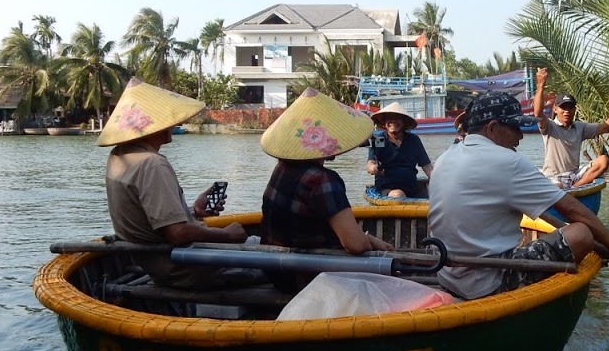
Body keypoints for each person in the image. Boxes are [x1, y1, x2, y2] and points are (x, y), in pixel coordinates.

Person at [428, 91, 609, 300]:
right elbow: (573, 209)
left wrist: (604, 248)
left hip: (447, 275)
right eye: (515, 128)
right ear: (492, 127)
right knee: (582, 233)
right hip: (487, 281)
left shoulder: (446, 157)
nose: (520, 136)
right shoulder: (507, 161)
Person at [99, 78, 253, 291]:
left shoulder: (118, 156)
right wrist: (227, 236)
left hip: (160, 265)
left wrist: (194, 212)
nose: (173, 125)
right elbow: (177, 233)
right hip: (187, 268)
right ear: (158, 127)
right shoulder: (152, 164)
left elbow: (154, 221)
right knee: (272, 256)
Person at [260, 88, 393, 296]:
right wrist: (368, 240)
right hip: (312, 280)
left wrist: (365, 238)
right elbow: (355, 245)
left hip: (278, 274)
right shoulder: (322, 180)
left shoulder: (281, 169)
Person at [532, 67, 609, 189]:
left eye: (570, 108)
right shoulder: (549, 126)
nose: (567, 111)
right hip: (554, 178)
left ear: (575, 110)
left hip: (575, 175)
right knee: (558, 187)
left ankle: (575, 188)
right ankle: (568, 192)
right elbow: (538, 113)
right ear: (555, 109)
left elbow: (607, 127)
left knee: (604, 160)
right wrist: (541, 84)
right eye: (563, 108)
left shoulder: (580, 127)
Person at [364, 102, 433, 198]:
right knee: (399, 194)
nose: (393, 121)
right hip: (389, 189)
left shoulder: (413, 140)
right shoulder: (379, 140)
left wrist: (439, 183)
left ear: (404, 122)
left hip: (412, 187)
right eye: (389, 118)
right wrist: (373, 168)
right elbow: (370, 163)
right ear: (384, 122)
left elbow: (427, 166)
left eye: (397, 118)